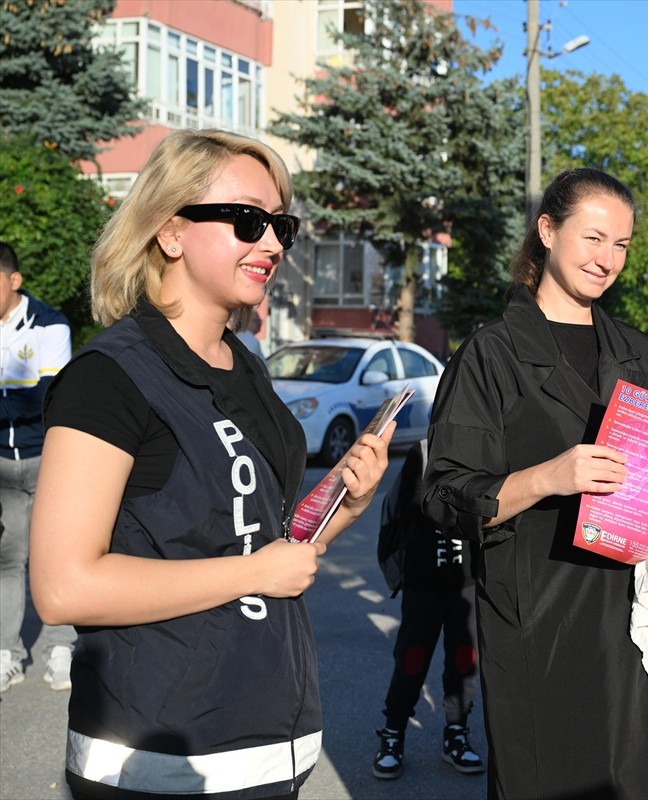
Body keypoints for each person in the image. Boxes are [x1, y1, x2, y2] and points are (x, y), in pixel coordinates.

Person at [27, 129, 393, 800]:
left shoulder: (245, 364)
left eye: (280, 224)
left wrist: (348, 504)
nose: (273, 243)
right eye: (248, 221)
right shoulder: (110, 377)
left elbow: (265, 549)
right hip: (157, 759)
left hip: (268, 746)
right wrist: (255, 571)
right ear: (170, 231)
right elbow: (64, 586)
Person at [422, 167, 648, 799]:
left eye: (621, 245)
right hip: (538, 613)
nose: (607, 260)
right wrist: (548, 477)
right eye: (594, 238)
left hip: (629, 618)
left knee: (629, 781)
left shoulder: (639, 353)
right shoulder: (491, 353)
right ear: (548, 231)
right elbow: (444, 494)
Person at [373, 438, 482, 780]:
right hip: (422, 581)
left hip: (466, 580)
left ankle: (456, 732)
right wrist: (458, 499)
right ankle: (393, 732)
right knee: (412, 659)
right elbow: (411, 505)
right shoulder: (421, 451)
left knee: (464, 660)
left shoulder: (483, 448)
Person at [0, 240, 74, 694]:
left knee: (55, 555)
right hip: (2, 465)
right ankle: (7, 653)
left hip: (48, 457)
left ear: (14, 280)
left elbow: (47, 396)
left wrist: (13, 396)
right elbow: (23, 396)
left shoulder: (50, 324)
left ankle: (60, 649)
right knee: (8, 558)